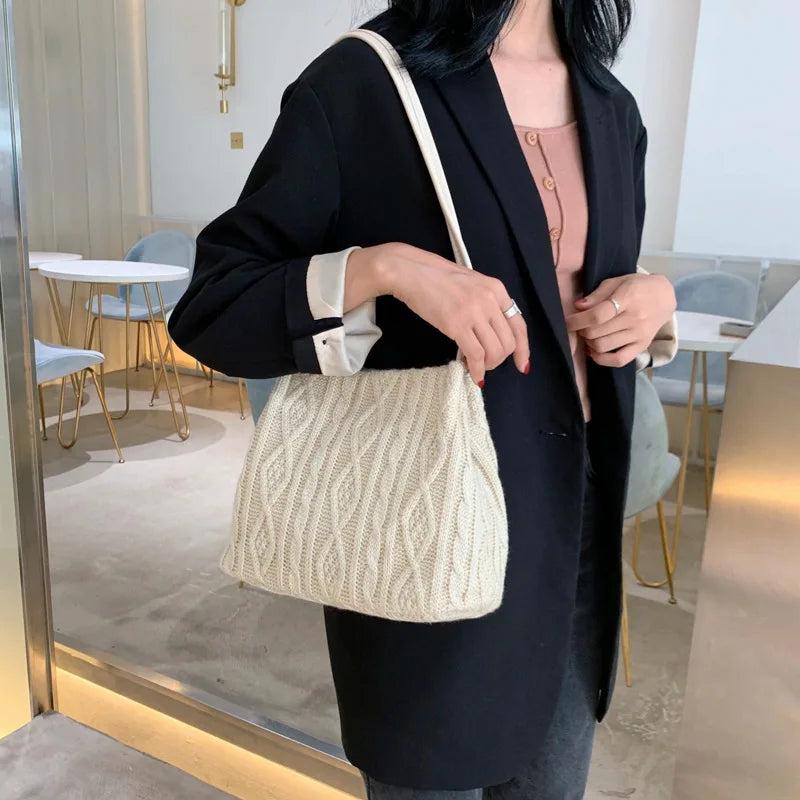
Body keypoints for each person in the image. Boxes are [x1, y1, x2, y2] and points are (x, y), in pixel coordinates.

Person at [167, 1, 677, 796]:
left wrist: (652, 299)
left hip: (574, 535)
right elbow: (215, 305)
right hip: (427, 519)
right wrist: (384, 268)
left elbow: (570, 287)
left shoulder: (612, 108)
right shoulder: (365, 83)